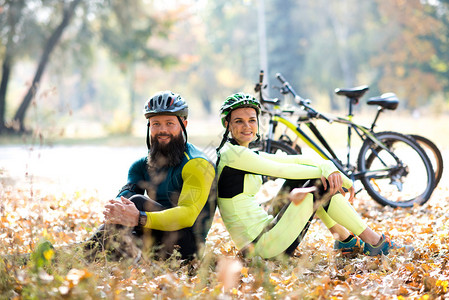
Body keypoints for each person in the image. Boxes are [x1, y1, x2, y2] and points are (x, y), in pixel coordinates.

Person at [215, 92, 413, 259]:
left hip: (265, 233)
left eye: (251, 120)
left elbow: (294, 160)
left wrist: (328, 166)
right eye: (238, 121)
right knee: (319, 183)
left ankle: (344, 240)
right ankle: (375, 242)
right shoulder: (233, 155)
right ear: (227, 124)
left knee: (308, 180)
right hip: (262, 246)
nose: (247, 126)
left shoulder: (240, 152)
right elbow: (282, 170)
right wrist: (339, 177)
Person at [85, 91, 216, 262]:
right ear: (149, 126)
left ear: (184, 124)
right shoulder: (141, 165)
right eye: (156, 124)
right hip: (154, 236)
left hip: (187, 247)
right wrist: (118, 208)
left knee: (138, 202)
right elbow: (126, 198)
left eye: (170, 123)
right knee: (120, 231)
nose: (163, 130)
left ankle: (82, 253)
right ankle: (77, 255)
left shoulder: (197, 163)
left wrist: (140, 217)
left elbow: (188, 215)